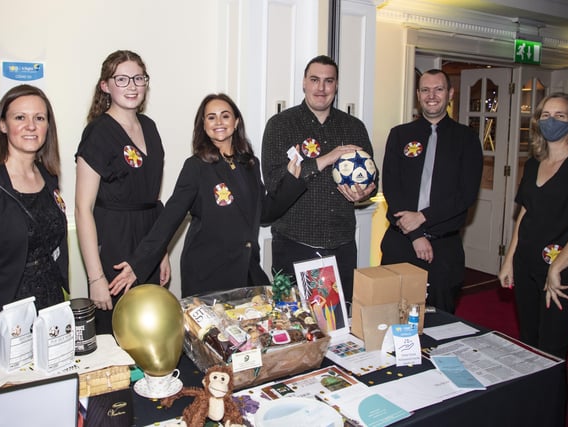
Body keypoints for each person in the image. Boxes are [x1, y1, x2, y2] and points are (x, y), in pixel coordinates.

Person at [109, 93, 306, 297]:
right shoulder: (196, 166)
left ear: (236, 121)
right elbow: (170, 218)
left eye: (225, 116)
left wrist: (291, 180)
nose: (218, 122)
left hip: (247, 271)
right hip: (208, 274)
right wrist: (138, 262)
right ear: (203, 125)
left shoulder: (250, 164)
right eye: (211, 117)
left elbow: (263, 213)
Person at [0, 84, 68, 388]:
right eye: (20, 117)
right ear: (2, 125)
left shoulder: (49, 178)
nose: (30, 126)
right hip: (5, 323)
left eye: (39, 118)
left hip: (48, 314)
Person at [498, 92, 568, 359]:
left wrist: (557, 267)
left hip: (561, 271)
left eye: (559, 115)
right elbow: (524, 213)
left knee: (552, 350)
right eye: (545, 115)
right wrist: (509, 259)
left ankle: (550, 400)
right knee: (529, 342)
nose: (551, 120)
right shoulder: (534, 163)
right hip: (526, 265)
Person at [261, 55, 376, 302]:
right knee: (294, 322)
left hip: (342, 244)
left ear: (336, 85)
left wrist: (365, 192)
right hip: (294, 243)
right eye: (314, 80)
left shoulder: (354, 128)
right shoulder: (280, 125)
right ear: (304, 82)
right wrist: (324, 159)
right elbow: (273, 181)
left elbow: (371, 179)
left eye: (328, 81)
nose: (321, 88)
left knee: (341, 322)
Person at [75, 50, 170, 335]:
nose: (131, 86)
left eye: (138, 78)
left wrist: (161, 250)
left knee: (151, 327)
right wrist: (95, 278)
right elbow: (82, 209)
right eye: (122, 79)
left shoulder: (150, 127)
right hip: (115, 241)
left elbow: (152, 199)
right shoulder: (98, 132)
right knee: (121, 331)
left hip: (149, 240)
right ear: (105, 85)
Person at [380, 69, 483, 314]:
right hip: (401, 243)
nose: (432, 95)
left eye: (438, 89)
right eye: (425, 90)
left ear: (450, 93)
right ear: (418, 95)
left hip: (443, 249)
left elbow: (465, 195)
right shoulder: (400, 134)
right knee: (390, 315)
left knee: (440, 319)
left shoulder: (466, 139)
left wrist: (423, 217)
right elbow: (392, 188)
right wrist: (416, 234)